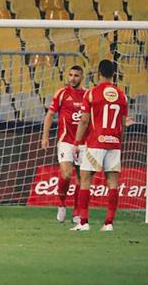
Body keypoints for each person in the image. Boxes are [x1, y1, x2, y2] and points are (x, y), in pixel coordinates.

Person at [72, 60, 128, 232]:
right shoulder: (122, 95)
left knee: (85, 179)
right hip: (114, 143)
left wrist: (77, 142)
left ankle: (83, 222)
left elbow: (84, 120)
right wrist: (118, 141)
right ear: (114, 74)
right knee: (113, 182)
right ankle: (109, 223)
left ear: (98, 73)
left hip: (96, 141)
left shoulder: (91, 93)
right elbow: (123, 123)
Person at [40, 65, 86, 223]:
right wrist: (45, 136)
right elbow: (49, 115)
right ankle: (61, 203)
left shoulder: (88, 95)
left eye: (76, 75)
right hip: (65, 141)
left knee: (81, 178)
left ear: (82, 77)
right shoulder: (62, 93)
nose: (72, 78)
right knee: (66, 174)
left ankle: (77, 212)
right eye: (70, 75)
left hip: (83, 142)